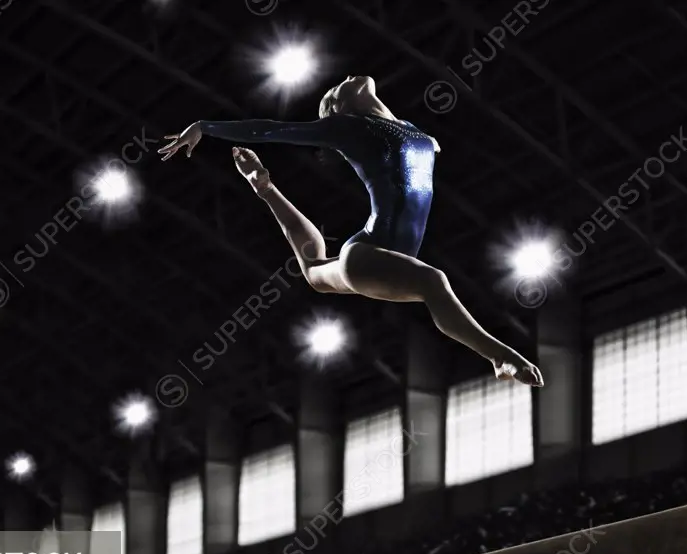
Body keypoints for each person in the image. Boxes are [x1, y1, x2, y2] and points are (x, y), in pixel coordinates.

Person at [158, 75, 543, 386]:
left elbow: (312, 266)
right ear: (337, 109)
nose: (346, 79)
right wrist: (204, 126)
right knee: (433, 280)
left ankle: (265, 190)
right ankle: (499, 356)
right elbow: (270, 129)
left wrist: (266, 187)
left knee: (315, 271)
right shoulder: (347, 128)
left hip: (387, 258)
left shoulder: (410, 130)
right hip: (367, 252)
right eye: (337, 89)